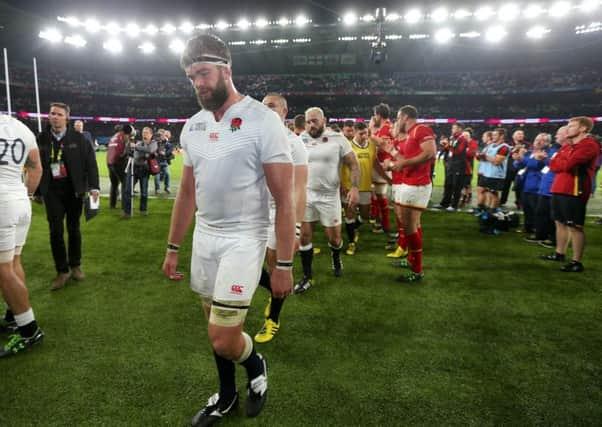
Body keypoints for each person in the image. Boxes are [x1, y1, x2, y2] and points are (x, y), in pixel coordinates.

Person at [161, 34, 295, 426]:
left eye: (203, 73)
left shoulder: (262, 120)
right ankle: (226, 396)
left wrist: (284, 263)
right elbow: (187, 193)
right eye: (191, 76)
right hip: (206, 236)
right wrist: (173, 247)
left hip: (244, 237)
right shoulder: (193, 126)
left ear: (225, 70)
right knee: (212, 325)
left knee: (223, 337)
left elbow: (285, 200)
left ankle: (255, 363)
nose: (198, 83)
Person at [254, 92, 308, 343]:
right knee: (253, 266)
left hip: (280, 214)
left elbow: (298, 188)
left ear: (284, 112)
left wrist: (295, 227)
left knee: (277, 267)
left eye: (272, 106)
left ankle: (273, 319)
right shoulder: (254, 139)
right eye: (263, 106)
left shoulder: (293, 143)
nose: (266, 110)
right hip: (256, 213)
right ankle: (275, 292)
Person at [294, 107, 360, 294]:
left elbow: (353, 164)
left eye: (315, 121)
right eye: (308, 121)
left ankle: (336, 255)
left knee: (335, 239)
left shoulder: (338, 139)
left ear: (324, 120)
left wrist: (354, 187)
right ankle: (307, 276)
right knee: (304, 236)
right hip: (307, 195)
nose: (311, 125)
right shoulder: (301, 139)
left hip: (329, 197)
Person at [37, 103, 100, 290]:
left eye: (59, 114)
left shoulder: (79, 139)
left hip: (74, 190)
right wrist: (37, 190)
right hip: (52, 192)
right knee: (55, 231)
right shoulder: (41, 138)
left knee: (74, 229)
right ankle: (62, 270)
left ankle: (75, 266)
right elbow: (35, 165)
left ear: (67, 118)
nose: (54, 117)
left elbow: (91, 164)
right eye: (52, 113)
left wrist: (94, 187)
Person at [0, 115, 44, 357]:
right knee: (14, 262)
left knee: (3, 269)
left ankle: (29, 329)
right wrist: (24, 194)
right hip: (19, 199)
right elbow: (37, 167)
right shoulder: (22, 127)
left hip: (2, 202)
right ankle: (14, 316)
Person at [384, 105, 436, 282]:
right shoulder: (411, 135)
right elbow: (403, 159)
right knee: (411, 225)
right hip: (410, 183)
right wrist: (391, 153)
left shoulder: (420, 129)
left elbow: (430, 153)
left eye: (399, 118)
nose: (398, 121)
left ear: (405, 116)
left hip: (417, 185)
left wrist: (403, 164)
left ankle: (417, 270)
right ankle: (412, 260)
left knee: (409, 226)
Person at [541, 117, 599, 272]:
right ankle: (560, 253)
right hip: (559, 187)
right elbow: (554, 165)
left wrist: (561, 162)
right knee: (559, 222)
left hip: (574, 189)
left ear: (583, 129)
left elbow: (568, 165)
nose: (568, 128)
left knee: (575, 226)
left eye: (571, 126)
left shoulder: (589, 145)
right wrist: (561, 162)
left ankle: (576, 261)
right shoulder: (568, 146)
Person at [341, 121, 387, 255]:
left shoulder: (371, 146)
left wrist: (387, 178)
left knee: (365, 216)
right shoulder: (347, 146)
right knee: (349, 215)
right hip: (349, 187)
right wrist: (341, 184)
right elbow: (339, 166)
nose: (364, 136)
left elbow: (375, 164)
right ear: (355, 132)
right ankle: (351, 243)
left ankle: (353, 227)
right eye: (361, 134)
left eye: (366, 133)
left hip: (366, 186)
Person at [513, 133, 551, 237]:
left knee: (537, 211)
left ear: (547, 143)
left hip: (537, 186)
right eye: (537, 139)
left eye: (542, 140)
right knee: (526, 208)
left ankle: (538, 230)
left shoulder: (546, 154)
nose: (538, 142)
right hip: (525, 185)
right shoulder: (530, 153)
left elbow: (537, 165)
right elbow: (516, 165)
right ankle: (527, 227)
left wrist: (522, 159)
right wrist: (519, 159)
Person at [123, 127, 157, 217]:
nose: (144, 134)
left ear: (151, 134)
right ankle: (127, 211)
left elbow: (149, 150)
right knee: (127, 190)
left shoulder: (153, 143)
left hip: (144, 169)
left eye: (146, 132)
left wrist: (136, 147)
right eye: (143, 132)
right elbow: (128, 152)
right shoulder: (138, 142)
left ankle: (143, 210)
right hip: (133, 167)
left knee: (144, 192)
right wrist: (129, 144)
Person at [476, 128, 510, 211]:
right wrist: (480, 156)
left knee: (493, 194)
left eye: (495, 135)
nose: (493, 136)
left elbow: (497, 161)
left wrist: (485, 156)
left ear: (501, 136)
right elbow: (483, 157)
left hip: (496, 175)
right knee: (485, 192)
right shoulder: (490, 145)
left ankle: (493, 211)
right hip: (486, 173)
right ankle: (484, 209)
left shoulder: (504, 147)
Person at [107, 124, 134, 209]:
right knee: (125, 184)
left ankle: (112, 204)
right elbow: (123, 152)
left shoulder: (113, 137)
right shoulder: (123, 137)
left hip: (109, 162)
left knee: (114, 184)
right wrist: (129, 153)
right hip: (118, 163)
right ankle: (125, 207)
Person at [154, 129, 173, 194]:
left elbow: (170, 150)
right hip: (157, 161)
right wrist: (157, 152)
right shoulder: (156, 142)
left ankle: (167, 187)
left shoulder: (167, 143)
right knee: (157, 175)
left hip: (164, 161)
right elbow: (153, 149)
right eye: (160, 135)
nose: (161, 136)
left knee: (167, 174)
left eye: (163, 135)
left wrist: (165, 153)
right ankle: (157, 189)